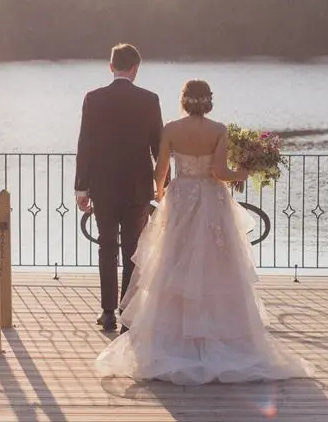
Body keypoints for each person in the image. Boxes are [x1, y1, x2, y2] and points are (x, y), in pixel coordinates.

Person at [94, 79, 312, 385]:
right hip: (211, 200)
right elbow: (219, 173)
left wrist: (160, 195)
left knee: (172, 266)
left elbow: (161, 171)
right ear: (208, 101)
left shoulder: (171, 128)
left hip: (181, 198)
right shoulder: (218, 130)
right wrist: (243, 173)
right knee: (217, 266)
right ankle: (218, 332)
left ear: (184, 100)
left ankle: (170, 338)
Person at [74, 43, 167, 333]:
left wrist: (81, 188)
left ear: (111, 66)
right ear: (135, 69)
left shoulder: (93, 99)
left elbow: (85, 145)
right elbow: (159, 149)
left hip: (102, 186)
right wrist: (161, 186)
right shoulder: (149, 100)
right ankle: (128, 313)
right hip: (138, 187)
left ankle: (107, 312)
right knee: (132, 249)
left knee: (106, 247)